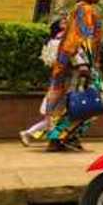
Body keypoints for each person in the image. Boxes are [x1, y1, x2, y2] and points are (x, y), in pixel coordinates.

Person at [40, 0, 103, 151]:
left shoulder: (81, 9)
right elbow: (79, 38)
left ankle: (65, 137)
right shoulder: (84, 9)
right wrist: (82, 63)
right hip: (81, 64)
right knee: (91, 100)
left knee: (79, 101)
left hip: (78, 63)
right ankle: (61, 137)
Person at [19, 17, 66, 146]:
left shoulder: (52, 41)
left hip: (57, 79)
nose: (67, 23)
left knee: (51, 119)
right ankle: (29, 133)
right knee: (52, 118)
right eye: (63, 22)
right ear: (58, 26)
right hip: (59, 79)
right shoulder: (60, 40)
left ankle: (28, 133)